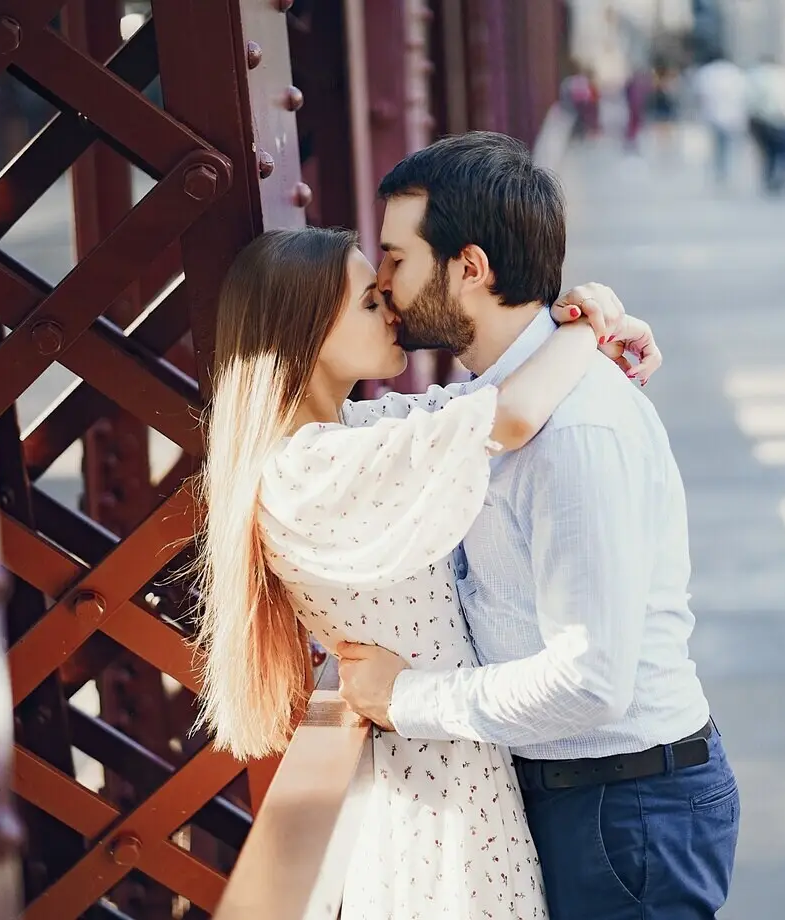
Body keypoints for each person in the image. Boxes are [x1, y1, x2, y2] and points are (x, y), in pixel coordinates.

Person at [193, 221, 660, 919]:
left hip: (446, 758)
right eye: (370, 302)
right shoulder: (309, 468)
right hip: (436, 782)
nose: (394, 309)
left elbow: (487, 401)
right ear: (307, 329)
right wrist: (584, 332)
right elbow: (510, 417)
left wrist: (594, 318)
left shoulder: (350, 435)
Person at [336, 131, 740, 920]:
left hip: (626, 810)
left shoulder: (575, 434)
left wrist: (407, 699)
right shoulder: (494, 404)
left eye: (395, 259)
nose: (383, 285)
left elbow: (591, 681)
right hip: (577, 795)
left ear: (470, 268)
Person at [692, 55, 749, 187]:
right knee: (731, 147)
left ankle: (720, 173)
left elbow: (700, 95)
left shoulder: (707, 72)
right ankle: (729, 173)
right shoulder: (736, 73)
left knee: (718, 147)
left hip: (714, 115)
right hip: (733, 117)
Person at [746, 55, 785, 193]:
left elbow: (750, 100)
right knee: (781, 152)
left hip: (763, 119)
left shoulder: (756, 75)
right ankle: (778, 178)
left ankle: (770, 178)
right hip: (783, 119)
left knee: (768, 153)